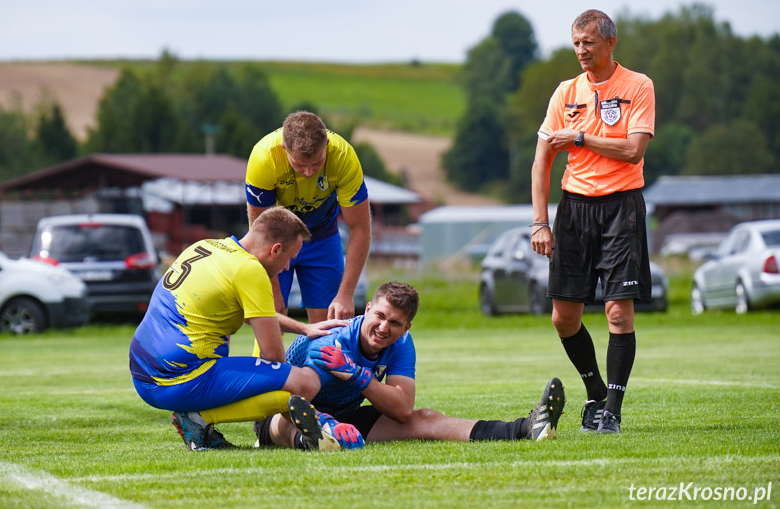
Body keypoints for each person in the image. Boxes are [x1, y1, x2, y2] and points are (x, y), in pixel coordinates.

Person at [129, 206, 348, 451]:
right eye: (289, 259)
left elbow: (246, 315)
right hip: (178, 379)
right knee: (304, 384)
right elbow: (273, 356)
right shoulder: (250, 270)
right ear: (275, 249)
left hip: (143, 373)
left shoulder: (206, 247)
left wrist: (304, 329)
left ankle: (307, 428)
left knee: (288, 390)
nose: (287, 268)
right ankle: (198, 418)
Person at [530, 9, 655, 435]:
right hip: (573, 209)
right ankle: (595, 393)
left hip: (621, 207)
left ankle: (612, 413)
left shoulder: (638, 86)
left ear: (610, 43)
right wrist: (539, 222)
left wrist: (580, 138)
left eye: (588, 42)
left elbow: (633, 150)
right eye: (576, 43)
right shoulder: (564, 93)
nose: (581, 50)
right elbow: (542, 160)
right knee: (563, 318)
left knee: (618, 314)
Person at [254, 282, 566, 448]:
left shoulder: (401, 344)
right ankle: (315, 441)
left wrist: (358, 376)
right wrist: (326, 423)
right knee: (288, 420)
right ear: (367, 309)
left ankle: (525, 429)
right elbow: (293, 399)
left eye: (395, 323)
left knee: (424, 418)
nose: (383, 327)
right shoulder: (329, 341)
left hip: (345, 417)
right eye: (379, 316)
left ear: (407, 328)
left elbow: (402, 409)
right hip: (285, 411)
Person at [245, 111, 371, 324]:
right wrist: (274, 292)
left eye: (317, 163)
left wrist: (346, 294)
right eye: (299, 165)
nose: (309, 172)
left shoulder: (343, 157)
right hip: (276, 242)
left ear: (327, 145)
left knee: (328, 325)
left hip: (322, 237)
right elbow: (261, 233)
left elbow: (360, 227)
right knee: (272, 322)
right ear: (284, 149)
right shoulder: (264, 157)